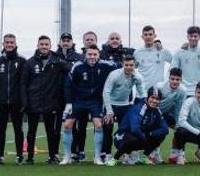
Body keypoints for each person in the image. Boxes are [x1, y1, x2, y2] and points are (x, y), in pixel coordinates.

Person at [60, 45, 118, 165]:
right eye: (90, 54)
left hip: (95, 101)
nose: (92, 57)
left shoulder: (105, 65)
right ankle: (67, 157)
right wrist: (69, 103)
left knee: (98, 125)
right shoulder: (78, 66)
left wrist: (133, 68)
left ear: (98, 55)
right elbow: (68, 85)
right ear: (86, 55)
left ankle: (97, 157)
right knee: (67, 125)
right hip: (78, 100)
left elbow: (121, 66)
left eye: (94, 54)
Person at [21, 35, 67, 165]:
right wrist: (25, 102)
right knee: (31, 131)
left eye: (46, 44)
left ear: (50, 46)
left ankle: (52, 157)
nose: (44, 47)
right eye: (42, 44)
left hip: (50, 103)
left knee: (51, 132)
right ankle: (29, 157)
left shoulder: (57, 62)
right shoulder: (29, 63)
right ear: (37, 45)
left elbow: (70, 70)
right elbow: (23, 84)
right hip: (33, 102)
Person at [99, 55, 146, 162]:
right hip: (111, 104)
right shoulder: (114, 75)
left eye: (131, 65)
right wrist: (109, 110)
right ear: (122, 64)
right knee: (107, 129)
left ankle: (125, 154)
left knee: (126, 132)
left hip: (125, 105)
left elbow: (142, 92)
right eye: (126, 65)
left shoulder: (136, 76)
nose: (129, 67)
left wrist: (144, 104)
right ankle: (106, 154)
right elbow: (106, 92)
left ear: (134, 65)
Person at [0, 33, 26, 165]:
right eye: (7, 42)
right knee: (1, 130)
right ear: (3, 44)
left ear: (15, 44)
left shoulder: (22, 60)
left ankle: (19, 157)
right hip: (1, 101)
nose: (9, 45)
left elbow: (24, 81)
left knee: (18, 129)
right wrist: (1, 91)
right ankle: (0, 157)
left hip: (17, 101)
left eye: (12, 42)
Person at [107, 90, 169, 165]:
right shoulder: (139, 108)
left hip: (141, 136)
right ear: (147, 98)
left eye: (157, 99)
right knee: (132, 138)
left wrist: (150, 134)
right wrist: (146, 140)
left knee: (160, 135)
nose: (154, 101)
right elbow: (135, 129)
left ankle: (143, 157)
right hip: (121, 137)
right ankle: (115, 159)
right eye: (152, 97)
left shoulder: (157, 110)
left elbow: (165, 129)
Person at [151, 67, 187, 162]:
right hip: (152, 113)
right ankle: (154, 153)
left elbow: (178, 110)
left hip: (164, 114)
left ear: (181, 79)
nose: (175, 82)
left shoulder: (182, 91)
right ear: (169, 78)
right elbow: (151, 103)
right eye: (172, 79)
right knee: (161, 130)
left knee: (181, 129)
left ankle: (175, 155)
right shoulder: (159, 87)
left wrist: (179, 125)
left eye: (177, 79)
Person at [72, 31, 98, 161]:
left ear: (96, 41)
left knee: (97, 126)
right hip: (81, 99)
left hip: (96, 100)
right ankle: (80, 151)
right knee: (80, 126)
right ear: (83, 41)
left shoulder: (101, 56)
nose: (89, 41)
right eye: (87, 39)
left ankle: (97, 153)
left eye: (91, 39)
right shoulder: (78, 58)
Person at [172, 26, 200, 96]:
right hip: (183, 91)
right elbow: (173, 70)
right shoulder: (179, 52)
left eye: (195, 36)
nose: (193, 38)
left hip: (199, 91)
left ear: (199, 37)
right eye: (191, 36)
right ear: (187, 37)